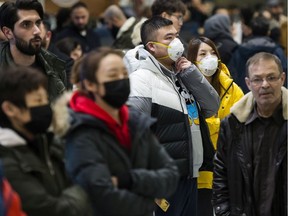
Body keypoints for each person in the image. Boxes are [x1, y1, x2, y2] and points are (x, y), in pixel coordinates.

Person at [64, 48, 179, 216]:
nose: (121, 80)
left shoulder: (135, 121)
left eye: (124, 73)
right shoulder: (80, 130)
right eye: (112, 75)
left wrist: (128, 179)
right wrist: (147, 201)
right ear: (90, 84)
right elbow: (103, 196)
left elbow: (170, 175)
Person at [125, 16, 219, 216]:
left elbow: (212, 107)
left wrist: (191, 73)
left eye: (176, 36)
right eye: (169, 38)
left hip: (190, 175)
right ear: (152, 46)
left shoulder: (181, 76)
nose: (177, 42)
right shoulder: (141, 80)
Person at [0, 66, 92, 216]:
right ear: (10, 109)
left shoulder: (48, 142)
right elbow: (53, 210)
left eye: (46, 100)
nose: (45, 107)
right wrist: (88, 188)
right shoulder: (6, 162)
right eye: (37, 101)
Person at [212, 52, 287, 216]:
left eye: (271, 77)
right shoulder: (232, 124)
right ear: (248, 83)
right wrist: (224, 212)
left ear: (282, 79)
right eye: (257, 79)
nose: (265, 84)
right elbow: (220, 173)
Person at [187, 36, 244, 216]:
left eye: (212, 53)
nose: (209, 57)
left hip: (226, 170)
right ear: (192, 60)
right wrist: (219, 123)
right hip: (198, 172)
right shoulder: (183, 88)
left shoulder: (231, 87)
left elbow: (240, 125)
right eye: (202, 54)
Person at [0, 0, 67, 102]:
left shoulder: (55, 65)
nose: (37, 31)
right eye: (26, 25)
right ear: (8, 33)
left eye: (38, 23)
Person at [228, 15, 287, 93]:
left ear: (251, 30)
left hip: (244, 93)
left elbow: (232, 73)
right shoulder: (276, 50)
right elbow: (285, 71)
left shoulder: (239, 50)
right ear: (268, 32)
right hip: (272, 93)